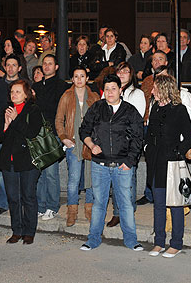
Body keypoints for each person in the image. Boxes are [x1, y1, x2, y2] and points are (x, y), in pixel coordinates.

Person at [79, 74, 144, 251]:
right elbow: (83, 129)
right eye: (107, 89)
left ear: (120, 90)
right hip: (99, 165)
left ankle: (131, 240)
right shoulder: (97, 108)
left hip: (122, 166)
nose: (110, 92)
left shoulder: (130, 111)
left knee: (125, 204)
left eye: (113, 88)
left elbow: (138, 138)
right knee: (99, 203)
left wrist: (130, 161)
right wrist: (91, 145)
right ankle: (93, 239)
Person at [144, 74, 191, 258]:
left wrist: (177, 151)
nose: (152, 91)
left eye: (155, 88)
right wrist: (147, 148)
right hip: (156, 162)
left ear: (164, 89)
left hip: (172, 163)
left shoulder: (179, 110)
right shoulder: (155, 107)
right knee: (158, 204)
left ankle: (176, 243)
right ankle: (159, 242)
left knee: (175, 204)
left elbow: (190, 138)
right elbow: (149, 134)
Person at [0, 80, 43, 244]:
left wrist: (16, 120)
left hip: (28, 160)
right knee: (13, 198)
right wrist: (6, 124)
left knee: (28, 197)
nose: (13, 95)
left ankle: (29, 231)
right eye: (12, 92)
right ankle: (17, 230)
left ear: (26, 94)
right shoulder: (6, 110)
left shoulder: (33, 110)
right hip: (9, 161)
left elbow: (31, 133)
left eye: (18, 91)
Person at [55, 67, 100, 227]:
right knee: (73, 180)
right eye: (76, 76)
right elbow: (59, 120)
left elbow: (100, 120)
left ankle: (89, 209)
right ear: (72, 79)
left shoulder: (94, 97)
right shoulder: (66, 96)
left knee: (91, 178)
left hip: (90, 144)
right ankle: (72, 211)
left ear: (87, 78)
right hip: (73, 144)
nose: (79, 79)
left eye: (82, 76)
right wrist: (64, 138)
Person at [108, 61, 146, 225]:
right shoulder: (109, 92)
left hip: (129, 143)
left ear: (131, 75)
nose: (122, 74)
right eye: (119, 71)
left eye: (126, 71)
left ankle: (128, 212)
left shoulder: (136, 94)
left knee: (128, 180)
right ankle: (117, 212)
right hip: (110, 143)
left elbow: (136, 119)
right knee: (114, 180)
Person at [32, 54, 68, 220]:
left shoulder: (61, 86)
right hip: (37, 133)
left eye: (50, 64)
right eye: (44, 64)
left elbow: (59, 110)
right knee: (39, 172)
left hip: (52, 133)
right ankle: (41, 205)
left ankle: (52, 206)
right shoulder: (36, 86)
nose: (46, 66)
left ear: (56, 67)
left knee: (51, 173)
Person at [0, 55, 25, 217]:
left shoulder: (25, 85)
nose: (10, 68)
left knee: (21, 172)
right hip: (2, 134)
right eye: (8, 65)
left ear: (19, 67)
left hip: (21, 134)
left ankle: (20, 203)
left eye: (14, 65)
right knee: (2, 173)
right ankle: (3, 204)